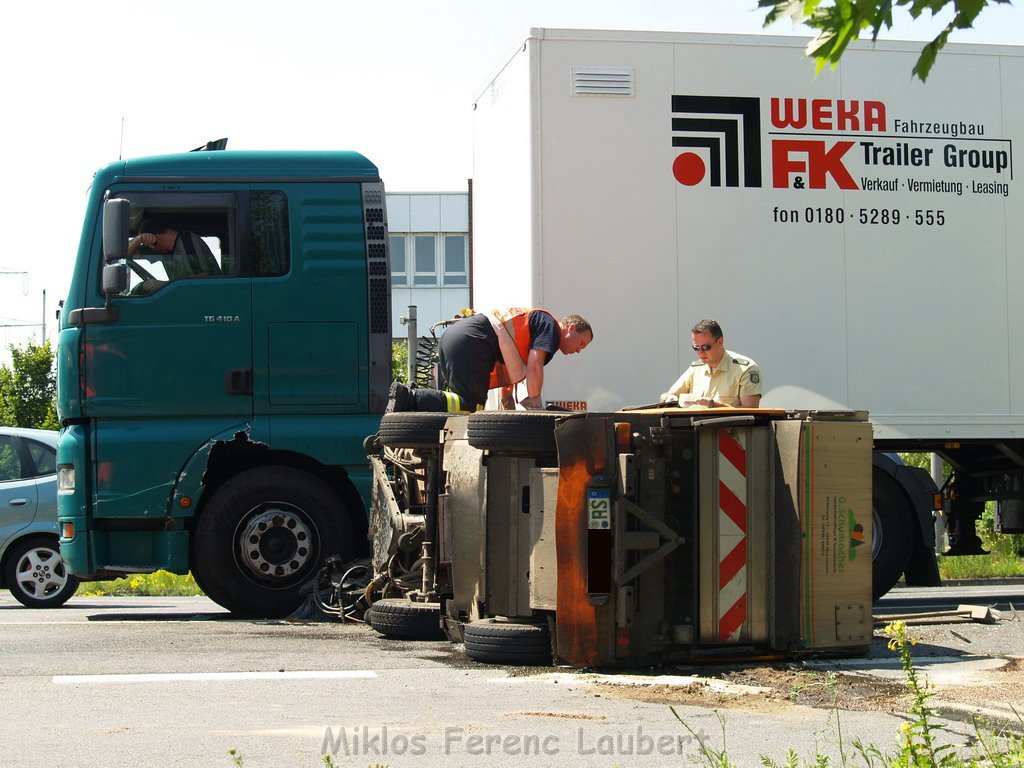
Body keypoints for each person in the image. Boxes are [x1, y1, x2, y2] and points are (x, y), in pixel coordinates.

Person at [387, 308, 593, 413]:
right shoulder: (550, 326)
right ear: (571, 328)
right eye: (582, 343)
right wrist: (536, 403)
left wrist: (507, 402)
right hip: (472, 343)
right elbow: (534, 366)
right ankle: (410, 397)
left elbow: (515, 369)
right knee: (470, 407)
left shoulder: (537, 325)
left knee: (461, 405)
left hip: (459, 338)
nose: (579, 351)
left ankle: (413, 401)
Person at [659, 318, 761, 408]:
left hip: (730, 429)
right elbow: (667, 395)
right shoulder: (696, 368)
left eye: (705, 347)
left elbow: (750, 412)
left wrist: (715, 405)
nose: (700, 353)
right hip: (698, 429)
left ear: (720, 342)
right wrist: (670, 398)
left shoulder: (745, 369)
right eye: (696, 348)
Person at [127, 218, 221, 288]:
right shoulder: (158, 248)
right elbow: (123, 255)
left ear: (155, 237)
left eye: (150, 246)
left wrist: (164, 285)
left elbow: (202, 278)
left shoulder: (187, 242)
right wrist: (138, 239)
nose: (153, 250)